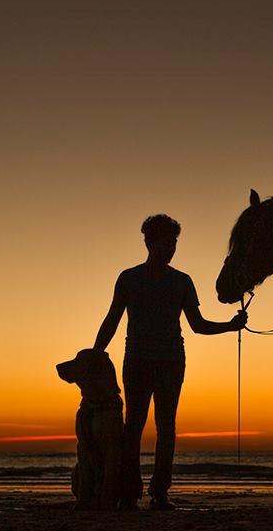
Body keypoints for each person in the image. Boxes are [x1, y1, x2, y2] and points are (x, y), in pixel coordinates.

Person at [93, 214, 247, 511]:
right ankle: (129, 493)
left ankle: (160, 492)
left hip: (172, 363)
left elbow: (198, 325)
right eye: (167, 242)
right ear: (150, 242)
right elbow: (112, 318)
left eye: (175, 242)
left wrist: (230, 326)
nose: (172, 247)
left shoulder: (182, 281)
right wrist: (97, 352)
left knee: (166, 427)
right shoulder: (129, 278)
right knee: (134, 426)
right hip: (136, 360)